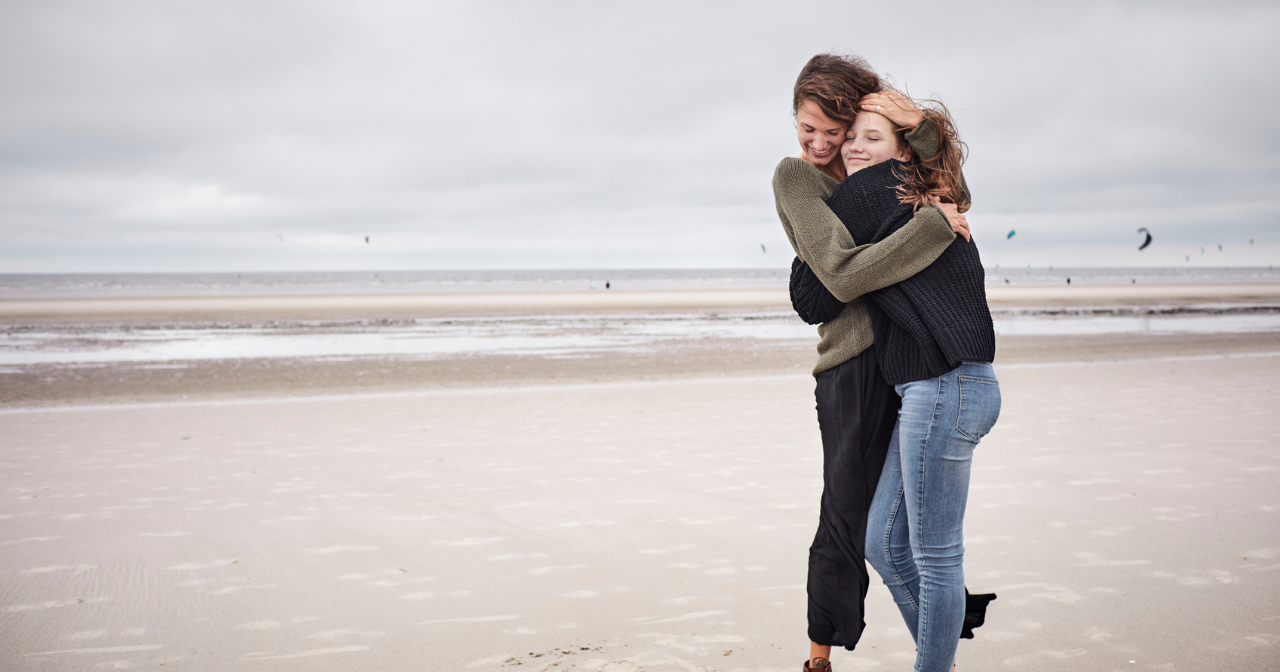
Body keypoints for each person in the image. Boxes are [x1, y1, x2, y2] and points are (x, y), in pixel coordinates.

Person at [772, 54, 971, 672]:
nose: (821, 144)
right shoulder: (798, 179)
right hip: (852, 366)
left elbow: (952, 189)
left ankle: (942, 636)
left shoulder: (876, 162)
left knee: (899, 531)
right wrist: (931, 229)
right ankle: (818, 656)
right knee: (844, 508)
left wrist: (919, 121)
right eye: (809, 128)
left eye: (834, 130)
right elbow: (835, 275)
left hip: (905, 362)